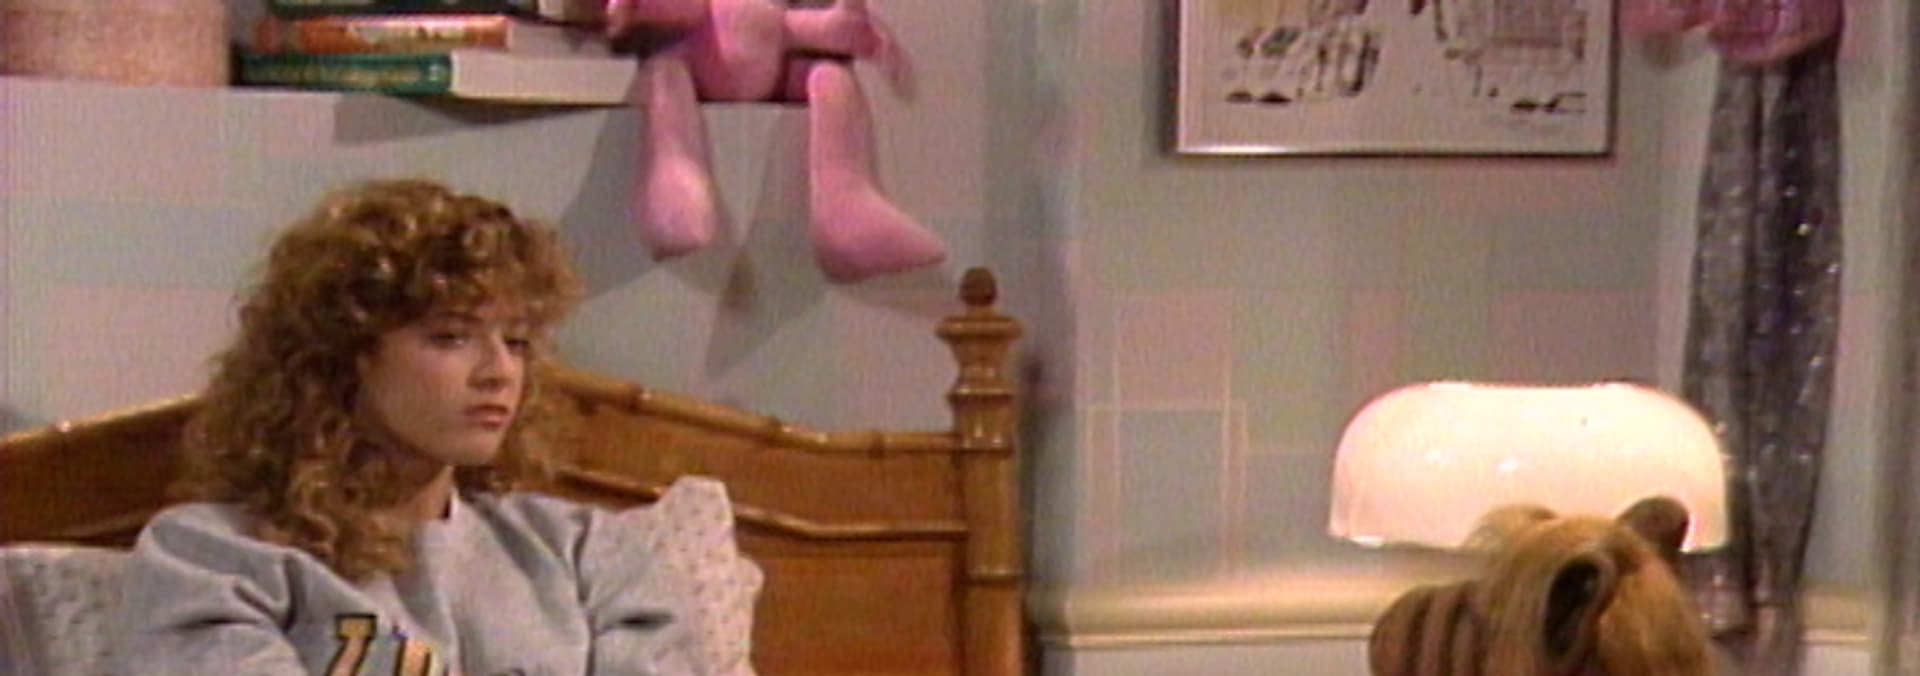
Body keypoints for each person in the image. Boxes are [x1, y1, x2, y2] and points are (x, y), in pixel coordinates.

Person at [110, 179, 759, 675]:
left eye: (516, 341)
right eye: (451, 337)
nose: (498, 372)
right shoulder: (217, 559)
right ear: (345, 353)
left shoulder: (588, 554)